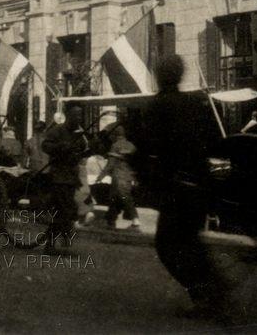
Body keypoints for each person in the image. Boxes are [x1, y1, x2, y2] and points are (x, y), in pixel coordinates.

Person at [145, 54, 226, 316]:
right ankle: (212, 289)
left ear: (159, 76)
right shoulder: (194, 102)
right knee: (190, 241)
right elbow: (214, 140)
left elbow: (149, 146)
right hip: (201, 184)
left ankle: (204, 292)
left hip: (176, 187)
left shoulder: (157, 106)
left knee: (167, 245)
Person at [42, 105, 89, 255]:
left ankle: (54, 244)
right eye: (76, 115)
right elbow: (45, 145)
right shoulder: (57, 130)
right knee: (66, 210)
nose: (79, 119)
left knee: (65, 211)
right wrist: (61, 147)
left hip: (71, 178)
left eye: (80, 116)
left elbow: (82, 151)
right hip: (59, 177)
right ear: (68, 115)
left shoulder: (79, 134)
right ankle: (55, 245)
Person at [96, 124, 140, 230]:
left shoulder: (115, 145)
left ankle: (135, 220)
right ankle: (110, 221)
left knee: (123, 198)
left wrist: (101, 176)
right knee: (115, 199)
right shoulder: (131, 146)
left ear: (114, 135)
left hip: (118, 176)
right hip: (129, 177)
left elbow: (110, 164)